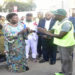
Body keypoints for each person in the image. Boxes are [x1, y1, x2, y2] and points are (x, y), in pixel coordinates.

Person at [38, 9, 75, 75]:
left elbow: (60, 36)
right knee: (63, 60)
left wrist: (47, 33)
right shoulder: (58, 22)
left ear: (60, 16)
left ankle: (68, 73)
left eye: (55, 15)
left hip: (67, 45)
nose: (54, 16)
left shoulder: (66, 24)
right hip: (61, 44)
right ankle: (63, 72)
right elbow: (52, 30)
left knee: (67, 60)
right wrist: (45, 31)